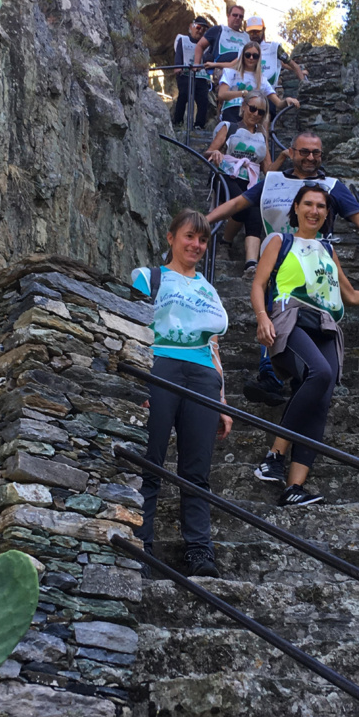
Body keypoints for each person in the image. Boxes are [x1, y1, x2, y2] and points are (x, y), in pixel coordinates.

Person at [206, 130, 359, 405]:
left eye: (316, 153)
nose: (310, 157)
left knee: (305, 319)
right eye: (304, 152)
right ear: (291, 152)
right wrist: (205, 221)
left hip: (314, 264)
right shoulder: (273, 181)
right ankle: (275, 375)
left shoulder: (331, 186)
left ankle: (288, 376)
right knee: (274, 312)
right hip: (278, 257)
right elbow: (238, 203)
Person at [250, 185, 359, 506]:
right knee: (321, 374)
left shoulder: (327, 251)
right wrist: (262, 318)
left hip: (326, 326)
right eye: (308, 204)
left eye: (321, 206)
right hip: (292, 318)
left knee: (321, 399)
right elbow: (258, 284)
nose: (314, 211)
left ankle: (294, 488)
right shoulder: (279, 241)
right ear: (296, 208)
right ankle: (273, 456)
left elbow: (351, 296)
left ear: (328, 213)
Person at [131, 210, 232, 578]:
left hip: (203, 376)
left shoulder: (208, 288)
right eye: (190, 236)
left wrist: (222, 401)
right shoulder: (148, 278)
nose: (196, 245)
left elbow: (214, 344)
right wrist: (138, 380)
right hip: (160, 368)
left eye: (203, 240)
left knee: (197, 470)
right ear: (171, 237)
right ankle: (141, 546)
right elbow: (134, 329)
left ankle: (199, 551)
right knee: (150, 462)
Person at [205, 91, 272, 276]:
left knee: (254, 213)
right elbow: (208, 152)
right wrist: (216, 154)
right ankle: (224, 242)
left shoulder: (262, 136)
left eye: (261, 112)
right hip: (226, 176)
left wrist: (283, 158)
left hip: (251, 179)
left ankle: (250, 264)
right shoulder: (229, 127)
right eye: (253, 109)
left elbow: (268, 168)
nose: (256, 114)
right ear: (243, 107)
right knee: (243, 205)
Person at [216, 42, 300, 125]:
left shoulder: (262, 80)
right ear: (242, 56)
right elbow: (221, 94)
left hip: (251, 116)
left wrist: (287, 100)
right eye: (248, 55)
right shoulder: (230, 72)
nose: (251, 58)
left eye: (255, 56)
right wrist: (242, 93)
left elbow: (278, 103)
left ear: (258, 58)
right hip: (231, 112)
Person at [246, 16, 308, 118]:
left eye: (257, 31)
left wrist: (304, 83)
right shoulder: (245, 49)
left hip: (268, 92)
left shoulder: (274, 48)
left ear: (263, 30)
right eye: (251, 32)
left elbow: (290, 64)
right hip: (248, 92)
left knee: (267, 117)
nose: (254, 35)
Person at [173, 16, 211, 129]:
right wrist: (178, 67)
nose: (200, 31)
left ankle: (199, 125)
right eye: (198, 27)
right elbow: (178, 54)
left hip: (201, 75)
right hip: (185, 74)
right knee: (183, 96)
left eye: (204, 30)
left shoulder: (207, 45)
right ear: (191, 26)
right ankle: (178, 122)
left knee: (203, 100)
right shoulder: (182, 40)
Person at [193, 3, 248, 68]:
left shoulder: (247, 36)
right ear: (228, 16)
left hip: (241, 72)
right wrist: (196, 64)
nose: (238, 18)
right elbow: (200, 45)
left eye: (240, 16)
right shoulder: (218, 30)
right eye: (235, 15)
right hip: (220, 72)